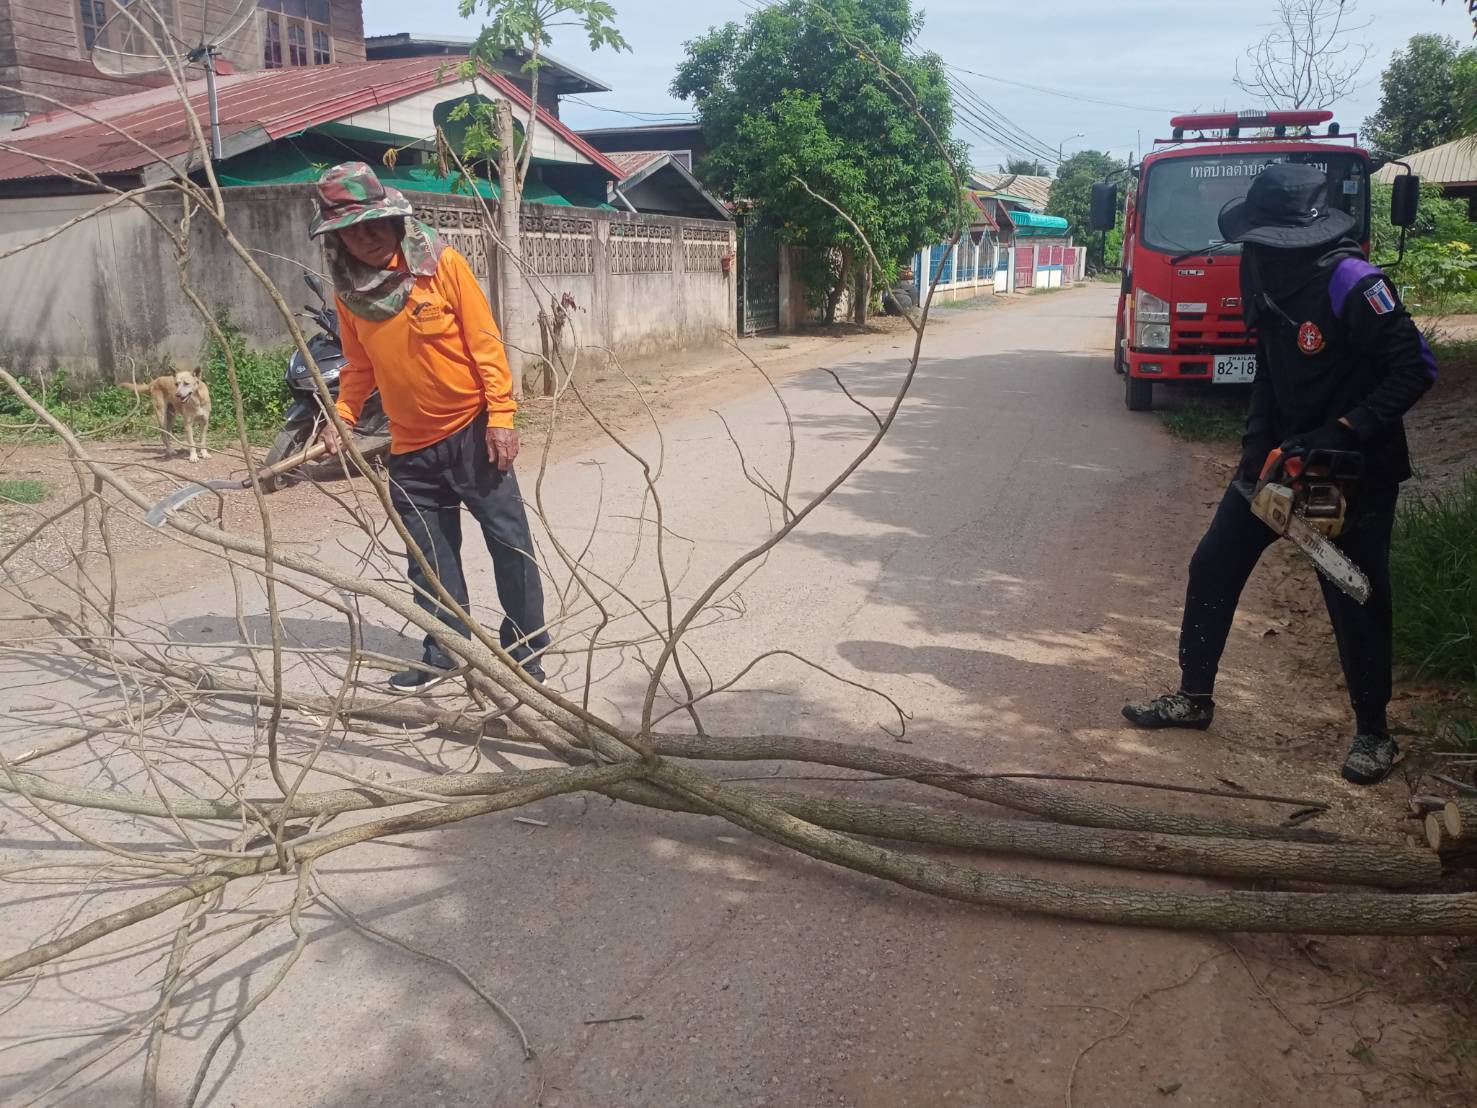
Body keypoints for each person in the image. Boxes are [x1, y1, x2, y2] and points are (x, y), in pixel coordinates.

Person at [1122, 163, 1437, 786]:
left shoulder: (1354, 280)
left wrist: (1343, 430)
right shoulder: (1261, 266)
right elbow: (1268, 364)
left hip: (1351, 469)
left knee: (1353, 593)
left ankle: (1374, 734)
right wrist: (1256, 445)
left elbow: (1416, 367)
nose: (1255, 248)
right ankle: (1193, 697)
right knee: (1213, 564)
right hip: (1280, 460)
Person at [309, 162, 549, 689]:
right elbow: (358, 367)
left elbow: (485, 343)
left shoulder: (440, 265)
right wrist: (342, 417)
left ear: (392, 219)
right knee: (429, 560)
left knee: (509, 544)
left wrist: (501, 417)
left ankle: (526, 650)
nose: (365, 237)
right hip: (410, 450)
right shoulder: (350, 294)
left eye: (373, 224)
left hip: (474, 435)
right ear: (337, 239)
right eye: (350, 231)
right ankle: (445, 650)